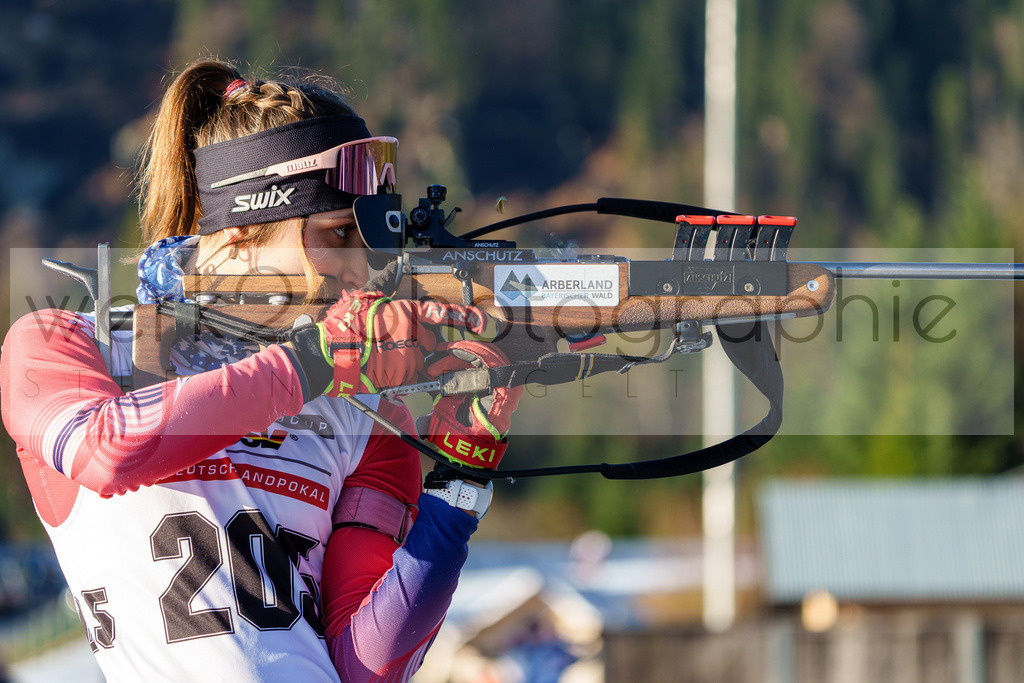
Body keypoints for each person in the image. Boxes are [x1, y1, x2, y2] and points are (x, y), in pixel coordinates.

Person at [0, 59, 522, 682]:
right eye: (336, 234)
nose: (361, 271)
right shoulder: (63, 341)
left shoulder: (370, 413)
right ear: (245, 228)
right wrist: (315, 360)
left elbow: (365, 669)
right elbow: (107, 451)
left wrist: (459, 486)